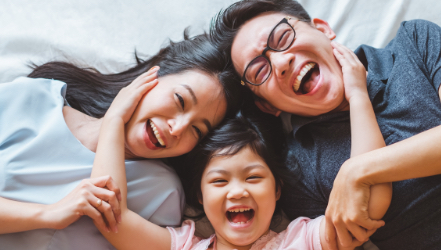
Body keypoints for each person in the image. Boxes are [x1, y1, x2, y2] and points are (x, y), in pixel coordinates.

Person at [209, 0, 441, 249]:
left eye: (283, 37)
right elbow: (349, 235)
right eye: (259, 70)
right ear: (266, 106)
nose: (281, 62)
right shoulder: (298, 171)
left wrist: (358, 171)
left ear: (323, 29)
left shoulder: (415, 41)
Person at [87, 47, 390, 249]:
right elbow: (113, 218)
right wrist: (114, 119)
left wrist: (358, 98)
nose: (237, 192)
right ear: (199, 197)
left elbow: (369, 200)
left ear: (277, 190)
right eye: (219, 181)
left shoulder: (302, 240)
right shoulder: (185, 244)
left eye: (253, 178)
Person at [0, 34, 241, 249]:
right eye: (180, 100)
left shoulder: (161, 192)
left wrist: (114, 121)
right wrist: (46, 214)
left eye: (197, 130)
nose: (177, 128)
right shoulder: (34, 98)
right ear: (152, 75)